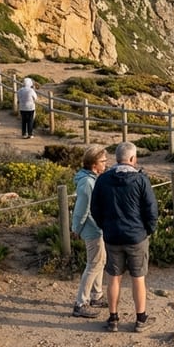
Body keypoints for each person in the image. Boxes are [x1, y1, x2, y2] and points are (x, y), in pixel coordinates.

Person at [90, 142, 159, 333]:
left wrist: (104, 226)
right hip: (136, 236)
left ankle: (113, 319)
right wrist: (148, 230)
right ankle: (141, 319)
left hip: (112, 236)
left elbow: (95, 208)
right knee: (138, 278)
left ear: (116, 158)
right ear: (132, 159)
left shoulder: (103, 180)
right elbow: (151, 210)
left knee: (113, 278)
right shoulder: (141, 180)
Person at [70, 145, 108, 318]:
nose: (106, 164)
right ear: (94, 164)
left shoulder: (92, 179)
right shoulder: (87, 182)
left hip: (97, 227)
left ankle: (96, 296)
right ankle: (81, 303)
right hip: (92, 229)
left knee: (99, 262)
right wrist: (75, 229)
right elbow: (82, 209)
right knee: (93, 264)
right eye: (103, 161)